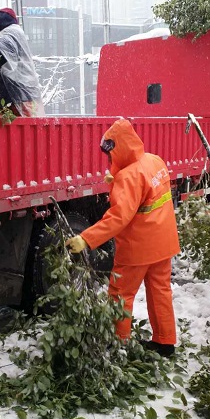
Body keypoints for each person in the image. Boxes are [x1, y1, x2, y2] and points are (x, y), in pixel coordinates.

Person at [65, 119, 180, 358]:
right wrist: (117, 180)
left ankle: (116, 345)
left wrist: (86, 239)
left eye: (111, 154)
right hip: (163, 241)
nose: (109, 159)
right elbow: (146, 190)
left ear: (120, 149)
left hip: (138, 248)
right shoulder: (153, 160)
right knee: (160, 291)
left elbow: (118, 218)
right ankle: (165, 342)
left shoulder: (128, 177)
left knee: (120, 295)